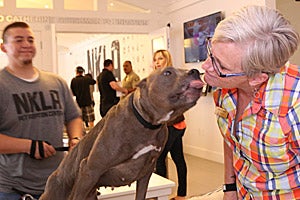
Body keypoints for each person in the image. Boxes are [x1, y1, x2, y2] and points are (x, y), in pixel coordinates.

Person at [201, 6, 300, 200]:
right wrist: (229, 187)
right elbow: (233, 141)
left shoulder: (294, 105)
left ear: (256, 78)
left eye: (220, 66)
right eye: (211, 53)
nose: (205, 66)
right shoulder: (223, 89)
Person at [0, 21, 83, 199]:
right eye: (18, 40)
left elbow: (74, 116)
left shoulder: (56, 82)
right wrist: (28, 146)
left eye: (30, 40)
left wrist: (76, 138)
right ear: (3, 47)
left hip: (57, 184)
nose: (26, 45)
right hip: (13, 190)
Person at [153, 49, 187, 200]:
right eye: (155, 59)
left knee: (160, 159)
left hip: (173, 126)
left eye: (160, 58)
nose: (157, 62)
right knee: (178, 158)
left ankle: (162, 194)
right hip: (173, 125)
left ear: (167, 60)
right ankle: (181, 194)